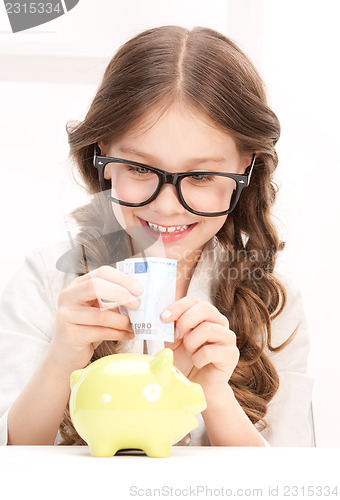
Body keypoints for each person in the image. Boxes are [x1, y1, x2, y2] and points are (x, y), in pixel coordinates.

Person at [0, 26, 314, 447]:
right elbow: (13, 460)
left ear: (246, 167)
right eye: (141, 169)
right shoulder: (48, 279)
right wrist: (59, 363)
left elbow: (286, 477)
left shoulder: (272, 304)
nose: (167, 206)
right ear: (104, 157)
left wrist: (215, 394)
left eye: (201, 175)